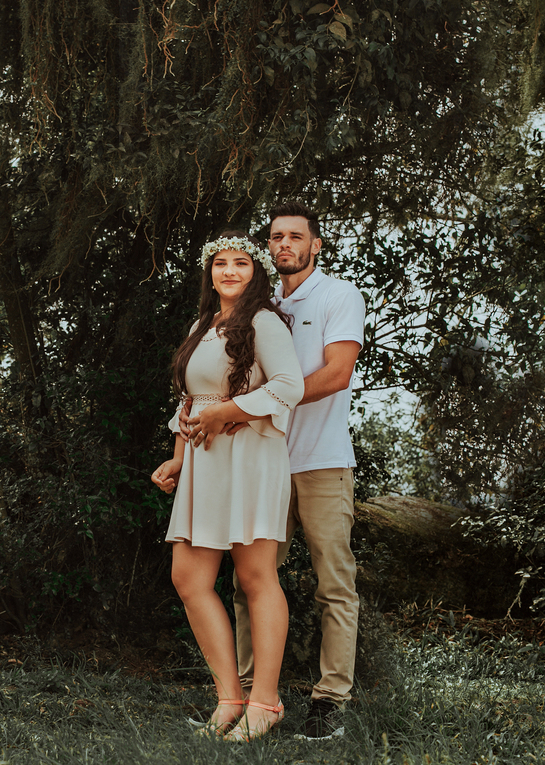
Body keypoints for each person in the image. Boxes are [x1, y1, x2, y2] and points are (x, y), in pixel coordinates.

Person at [183, 201, 365, 741]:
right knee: (250, 580)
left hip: (316, 457)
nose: (285, 244)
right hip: (257, 459)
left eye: (296, 236)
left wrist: (245, 406)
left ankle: (330, 700)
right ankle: (246, 694)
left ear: (316, 245)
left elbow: (337, 374)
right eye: (277, 236)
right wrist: (236, 410)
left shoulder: (336, 296)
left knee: (332, 582)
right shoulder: (255, 302)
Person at [151, 230, 304, 743]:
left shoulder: (264, 322)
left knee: (256, 577)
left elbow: (289, 385)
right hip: (203, 463)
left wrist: (229, 411)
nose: (230, 271)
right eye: (221, 263)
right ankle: (229, 699)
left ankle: (266, 703)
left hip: (250, 457)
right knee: (189, 579)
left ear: (256, 271)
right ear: (209, 272)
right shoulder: (202, 325)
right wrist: (178, 460)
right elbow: (191, 402)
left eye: (241, 263)